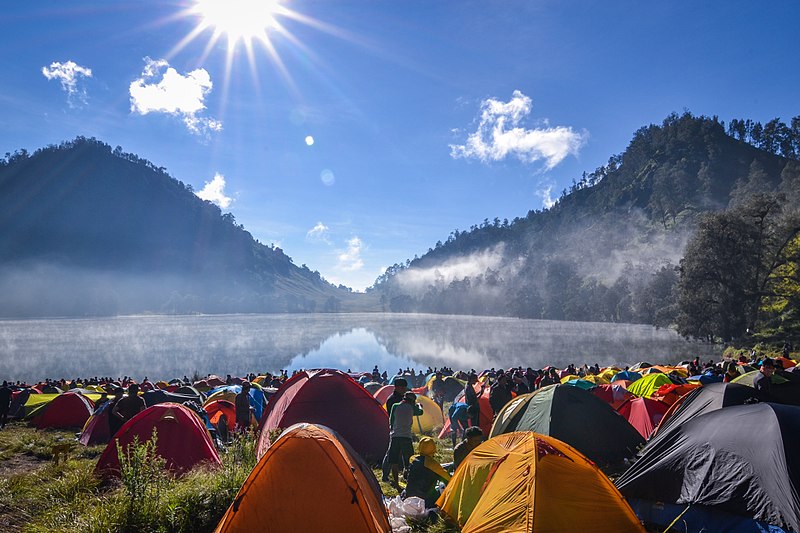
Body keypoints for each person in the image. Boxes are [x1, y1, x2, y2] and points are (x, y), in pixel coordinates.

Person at [382, 392, 423, 485]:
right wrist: (419, 406)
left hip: (395, 436)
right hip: (406, 437)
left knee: (393, 461)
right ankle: (408, 479)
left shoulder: (395, 406)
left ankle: (395, 482)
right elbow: (421, 412)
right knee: (408, 460)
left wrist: (393, 431)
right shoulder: (412, 408)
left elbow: (391, 420)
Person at [404, 437, 451, 508]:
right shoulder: (432, 464)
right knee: (441, 487)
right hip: (424, 501)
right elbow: (447, 478)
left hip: (408, 496)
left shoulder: (413, 459)